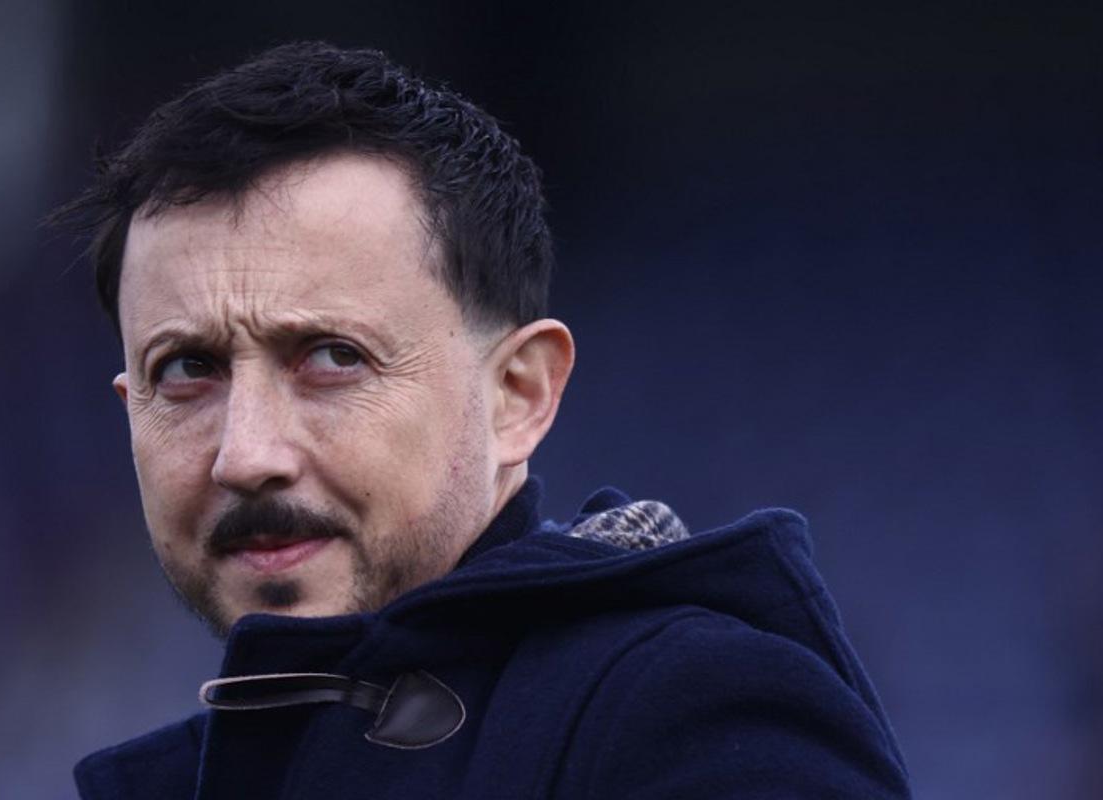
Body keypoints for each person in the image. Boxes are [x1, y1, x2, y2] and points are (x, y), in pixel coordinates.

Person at [56, 41, 912, 799]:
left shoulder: (693, 716)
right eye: (187, 370)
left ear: (518, 397)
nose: (244, 456)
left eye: (332, 357)